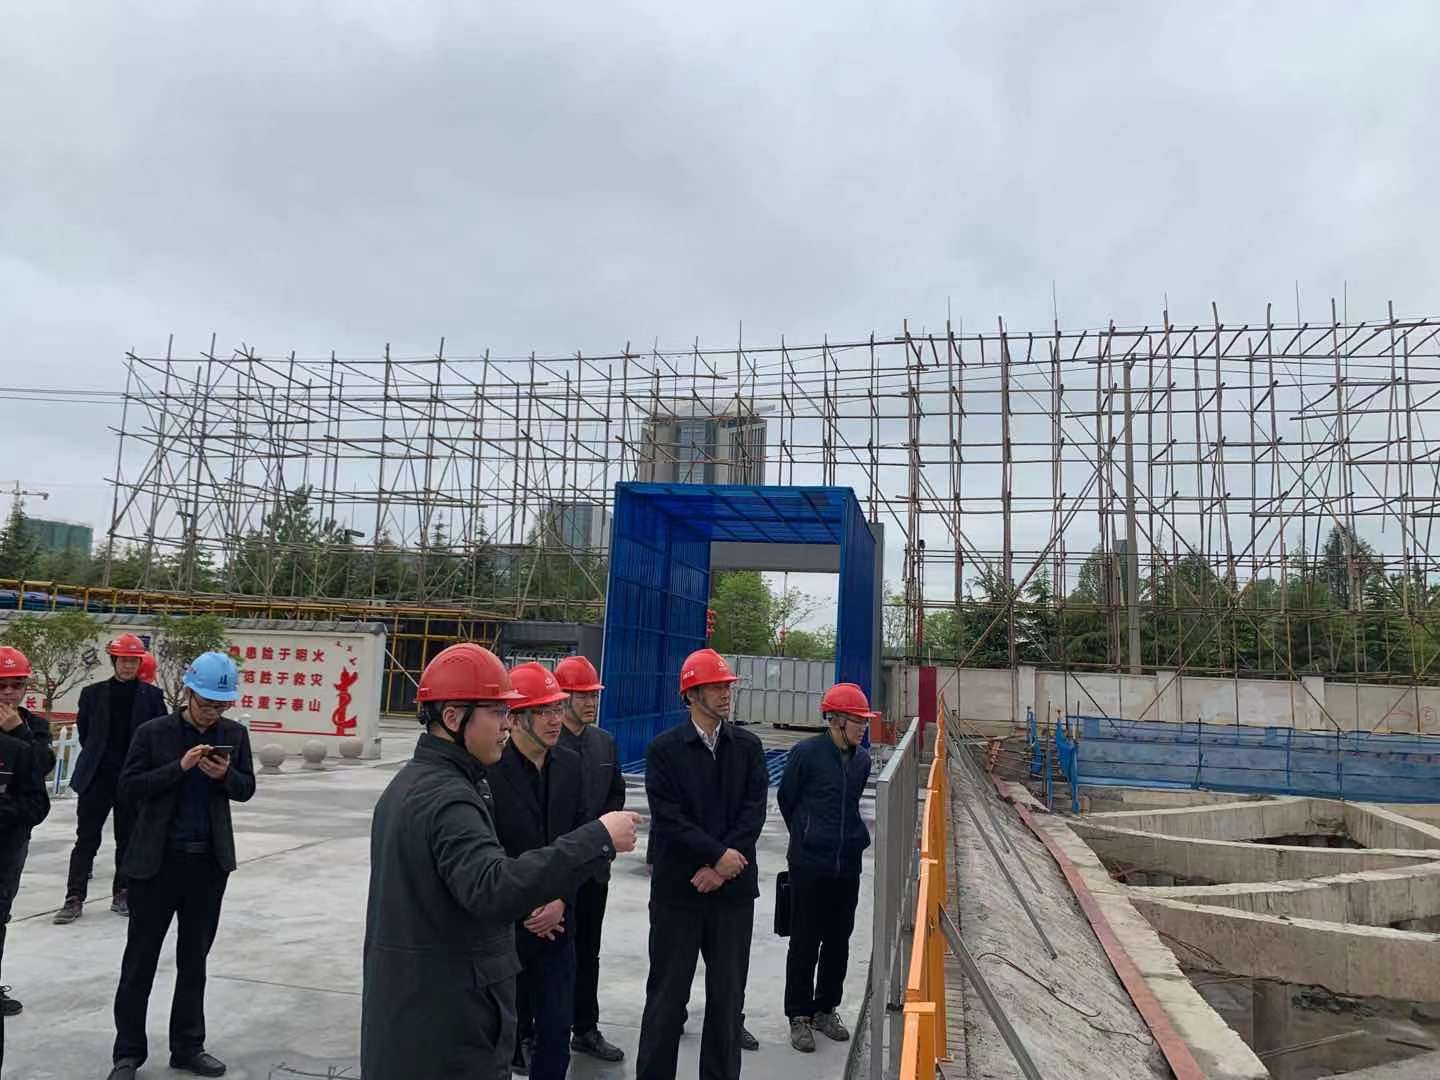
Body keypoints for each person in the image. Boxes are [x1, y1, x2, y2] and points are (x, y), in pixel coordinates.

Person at [361, 643, 640, 1080]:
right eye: (497, 712)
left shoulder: (414, 784)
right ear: (453, 717)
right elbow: (493, 886)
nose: (506, 724)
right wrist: (598, 837)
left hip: (421, 1011)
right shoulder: (450, 799)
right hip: (447, 1026)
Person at [108, 651, 255, 1080]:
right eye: (206, 704)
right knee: (140, 961)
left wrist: (223, 776)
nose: (212, 713)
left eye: (221, 706)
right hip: (156, 864)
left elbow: (246, 788)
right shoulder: (154, 733)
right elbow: (129, 788)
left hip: (207, 865)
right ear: (188, 693)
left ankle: (188, 1046)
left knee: (195, 961)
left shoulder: (234, 735)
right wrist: (180, 767)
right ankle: (128, 1053)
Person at [636, 648, 768, 1080]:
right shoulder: (664, 751)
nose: (726, 693)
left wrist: (725, 865)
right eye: (716, 687)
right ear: (691, 694)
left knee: (727, 1001)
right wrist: (715, 857)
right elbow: (669, 817)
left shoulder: (747, 747)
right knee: (666, 998)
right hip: (680, 892)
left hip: (732, 895)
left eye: (728, 686)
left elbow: (754, 811)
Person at [485, 662, 587, 1079]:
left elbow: (582, 841)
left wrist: (561, 899)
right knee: (499, 1033)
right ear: (515, 718)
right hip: (508, 927)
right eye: (543, 711)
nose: (555, 719)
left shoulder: (571, 766)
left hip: (559, 924)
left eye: (558, 708)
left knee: (556, 1030)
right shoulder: (489, 772)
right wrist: (527, 906)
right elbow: (490, 852)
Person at [776, 683, 874, 1053]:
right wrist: (807, 834)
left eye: (864, 721)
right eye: (858, 721)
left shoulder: (862, 761)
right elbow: (787, 799)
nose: (863, 728)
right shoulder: (806, 754)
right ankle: (799, 1015)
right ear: (835, 720)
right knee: (804, 940)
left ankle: (825, 1009)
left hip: (847, 863)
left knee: (838, 940)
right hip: (809, 864)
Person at [56, 632, 168, 925]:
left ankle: (123, 892)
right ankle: (74, 897)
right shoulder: (92, 694)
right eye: (123, 660)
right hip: (97, 776)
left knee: (128, 838)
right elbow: (87, 732)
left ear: (140, 663)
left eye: (134, 661)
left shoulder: (152, 697)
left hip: (132, 777)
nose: (128, 666)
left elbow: (159, 735)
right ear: (114, 660)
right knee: (86, 838)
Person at [552, 655, 627, 1065]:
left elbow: (616, 793)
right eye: (582, 695)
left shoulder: (603, 743)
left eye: (593, 695)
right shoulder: (548, 742)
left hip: (595, 869)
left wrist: (602, 840)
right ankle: (531, 1033)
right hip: (557, 870)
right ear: (562, 698)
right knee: (547, 953)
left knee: (588, 952)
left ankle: (585, 1028)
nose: (590, 702)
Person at [0, 646, 55, 1017]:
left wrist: (17, 731)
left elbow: (42, 770)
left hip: (10, 837)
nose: (9, 693)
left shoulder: (34, 727)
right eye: (2, 685)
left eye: (16, 685)